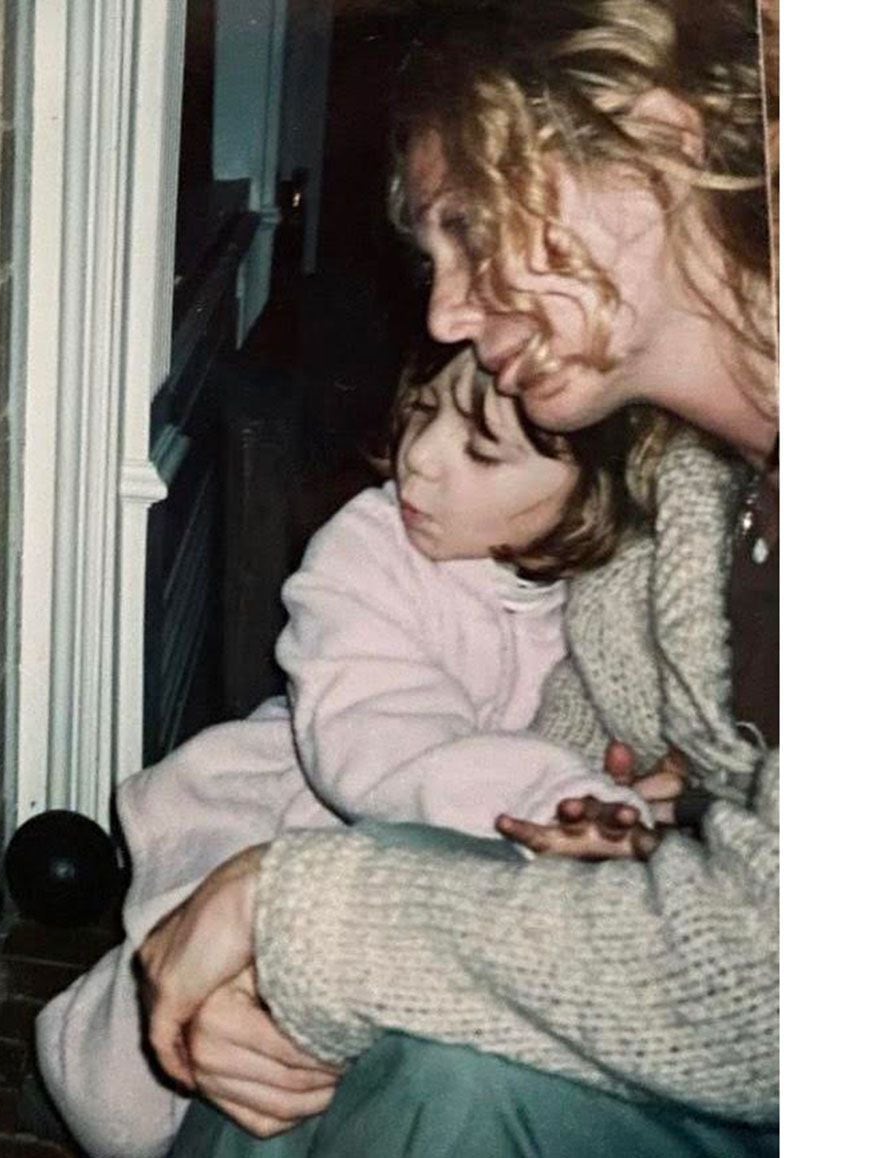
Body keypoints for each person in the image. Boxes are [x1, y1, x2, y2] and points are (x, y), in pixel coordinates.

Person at [137, 0, 778, 1154]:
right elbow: (572, 757)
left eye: (472, 228)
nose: (442, 310)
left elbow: (790, 993)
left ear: (662, 136)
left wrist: (293, 906)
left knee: (440, 1071)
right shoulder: (686, 504)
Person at [36, 347, 654, 1158]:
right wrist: (558, 802)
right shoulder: (367, 545)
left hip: (451, 883)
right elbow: (384, 738)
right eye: (424, 412)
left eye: (481, 449)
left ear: (591, 497)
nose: (420, 460)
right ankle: (62, 1070)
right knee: (135, 1091)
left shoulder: (618, 586)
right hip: (305, 811)